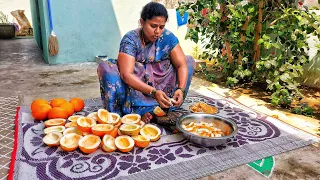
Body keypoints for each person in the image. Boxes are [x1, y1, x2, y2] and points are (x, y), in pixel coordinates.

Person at [97, 2, 195, 123]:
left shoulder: (168, 37)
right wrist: (153, 92)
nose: (157, 31)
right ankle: (136, 112)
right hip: (137, 84)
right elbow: (126, 74)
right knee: (107, 70)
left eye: (161, 27)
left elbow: (182, 65)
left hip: (161, 82)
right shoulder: (130, 40)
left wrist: (181, 89)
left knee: (189, 61)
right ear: (142, 22)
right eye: (153, 26)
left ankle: (163, 107)